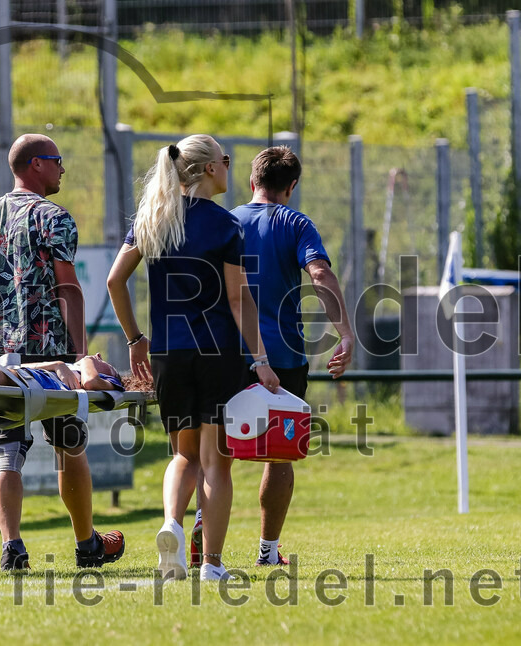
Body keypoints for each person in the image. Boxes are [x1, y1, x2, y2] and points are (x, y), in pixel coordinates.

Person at [106, 134, 279, 581]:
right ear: (209, 168)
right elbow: (238, 299)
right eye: (225, 158)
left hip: (168, 354)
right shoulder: (226, 224)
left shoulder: (152, 219)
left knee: (183, 455)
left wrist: (135, 339)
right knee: (216, 461)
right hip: (217, 353)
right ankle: (213, 565)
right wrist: (260, 360)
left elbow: (114, 281)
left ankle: (171, 524)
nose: (229, 165)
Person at [0, 133, 125, 571]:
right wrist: (81, 356)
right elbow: (67, 287)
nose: (63, 168)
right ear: (36, 164)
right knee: (70, 445)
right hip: (50, 355)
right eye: (57, 159)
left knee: (7, 449)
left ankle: (12, 547)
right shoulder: (53, 217)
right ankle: (87, 544)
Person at [228, 145, 353, 567]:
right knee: (279, 455)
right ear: (292, 186)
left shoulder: (227, 221)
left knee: (215, 454)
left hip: (229, 352)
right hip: (282, 357)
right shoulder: (296, 223)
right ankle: (268, 552)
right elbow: (319, 273)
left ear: (252, 181)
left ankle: (204, 539)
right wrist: (345, 333)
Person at [0, 353, 125, 393]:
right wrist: (56, 365)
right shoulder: (71, 368)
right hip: (22, 372)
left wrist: (88, 360)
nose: (99, 356)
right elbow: (19, 366)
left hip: (38, 382)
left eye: (107, 364)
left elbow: (91, 382)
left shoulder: (111, 382)